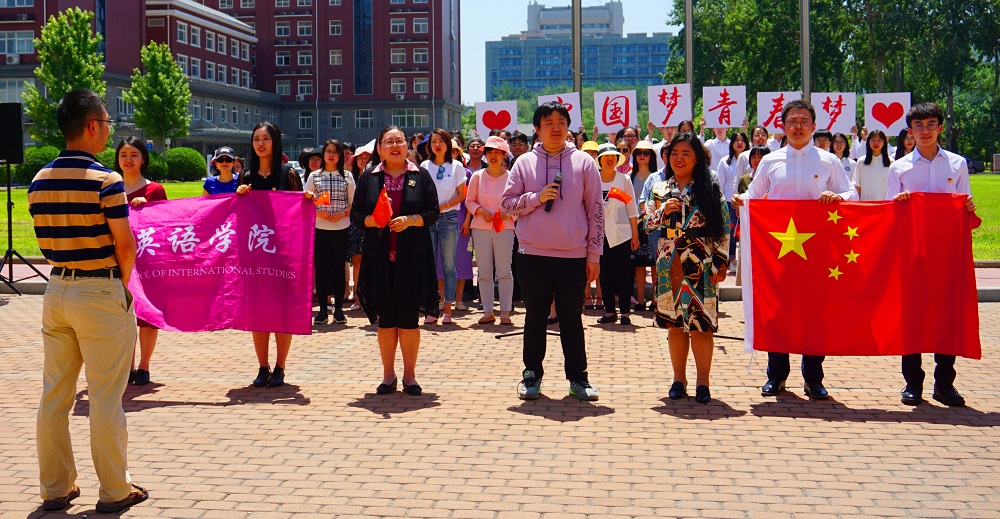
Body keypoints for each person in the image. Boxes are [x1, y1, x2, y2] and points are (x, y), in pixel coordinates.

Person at [28, 88, 148, 513]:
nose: (109, 131)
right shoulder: (105, 180)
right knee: (105, 398)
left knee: (54, 397)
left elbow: (45, 242)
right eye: (107, 123)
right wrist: (121, 286)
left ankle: (55, 487)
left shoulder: (39, 179)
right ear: (93, 125)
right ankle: (114, 489)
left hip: (57, 288)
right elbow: (125, 245)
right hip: (99, 290)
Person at [732, 99, 858, 400]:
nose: (798, 126)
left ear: (814, 126)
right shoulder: (771, 161)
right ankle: (776, 375)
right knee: (777, 310)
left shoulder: (828, 160)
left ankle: (814, 377)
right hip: (779, 250)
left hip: (818, 250)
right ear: (783, 126)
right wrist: (742, 201)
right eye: (792, 121)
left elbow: (851, 192)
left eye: (804, 121)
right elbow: (754, 195)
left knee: (815, 312)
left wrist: (837, 196)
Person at [502, 101, 604, 401]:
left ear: (568, 127)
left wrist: (594, 255)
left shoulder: (584, 162)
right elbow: (506, 207)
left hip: (573, 256)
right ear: (537, 129)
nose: (556, 128)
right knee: (534, 317)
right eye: (549, 123)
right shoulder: (523, 163)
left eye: (561, 122)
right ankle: (531, 375)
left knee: (572, 319)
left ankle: (578, 378)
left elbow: (596, 210)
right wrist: (536, 198)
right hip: (532, 255)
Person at [886, 102, 977, 407]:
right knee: (911, 316)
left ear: (940, 127)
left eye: (930, 124)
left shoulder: (957, 164)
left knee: (945, 315)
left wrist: (967, 207)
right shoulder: (899, 167)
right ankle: (912, 383)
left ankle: (945, 384)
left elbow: (965, 203)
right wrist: (899, 203)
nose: (925, 131)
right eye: (918, 125)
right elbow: (889, 211)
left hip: (947, 253)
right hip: (912, 252)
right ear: (909, 131)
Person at [352, 126, 440, 396]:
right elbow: (357, 214)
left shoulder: (420, 175)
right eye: (388, 142)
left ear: (407, 146)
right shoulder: (369, 177)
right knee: (386, 320)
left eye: (399, 141)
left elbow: (433, 212)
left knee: (409, 319)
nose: (394, 146)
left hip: (412, 258)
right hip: (379, 258)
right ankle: (388, 375)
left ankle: (410, 376)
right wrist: (373, 220)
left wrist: (411, 220)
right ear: (379, 149)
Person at [646, 133, 731, 404]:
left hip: (701, 261)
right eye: (674, 153)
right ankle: (678, 379)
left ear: (697, 159)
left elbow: (724, 227)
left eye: (686, 153)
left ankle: (703, 382)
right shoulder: (659, 188)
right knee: (674, 325)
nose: (679, 159)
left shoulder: (709, 188)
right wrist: (662, 212)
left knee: (701, 325)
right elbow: (646, 223)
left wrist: (721, 262)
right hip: (668, 262)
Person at [235, 121, 306, 388]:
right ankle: (262, 366)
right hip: (255, 254)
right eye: (256, 139)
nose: (261, 144)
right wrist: (240, 195)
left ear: (275, 142)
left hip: (283, 253)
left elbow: (299, 208)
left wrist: (308, 199)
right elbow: (237, 215)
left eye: (266, 138)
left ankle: (280, 366)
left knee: (281, 310)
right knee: (258, 311)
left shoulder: (288, 173)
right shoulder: (247, 176)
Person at [116, 136, 167, 386]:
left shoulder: (154, 190)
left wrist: (147, 209)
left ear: (143, 159)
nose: (128, 160)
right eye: (123, 155)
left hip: (147, 261)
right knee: (121, 316)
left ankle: (144, 366)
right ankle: (127, 366)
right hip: (117, 261)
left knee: (146, 316)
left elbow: (167, 225)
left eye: (134, 155)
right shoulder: (110, 188)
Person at [466, 136, 517, 325]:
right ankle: (488, 311)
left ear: (504, 155)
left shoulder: (511, 177)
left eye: (497, 152)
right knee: (484, 271)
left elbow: (518, 203)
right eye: (490, 152)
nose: (493, 156)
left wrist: (507, 214)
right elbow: (469, 201)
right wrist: (480, 211)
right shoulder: (477, 176)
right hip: (481, 227)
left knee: (504, 271)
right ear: (485, 155)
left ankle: (505, 312)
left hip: (505, 227)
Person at [305, 139, 355, 325]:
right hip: (320, 228)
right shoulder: (314, 176)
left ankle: (339, 310)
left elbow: (353, 202)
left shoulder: (347, 176)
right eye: (328, 151)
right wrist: (318, 213)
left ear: (340, 155)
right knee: (322, 269)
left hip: (341, 227)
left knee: (339, 268)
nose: (331, 155)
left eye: (335, 151)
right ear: (324, 154)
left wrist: (344, 212)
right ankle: (323, 310)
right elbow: (306, 201)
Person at [421, 129, 467, 324]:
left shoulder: (456, 166)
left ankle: (448, 309)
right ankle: (431, 310)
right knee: (428, 266)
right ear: (429, 145)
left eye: (441, 141)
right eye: (434, 141)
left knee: (449, 266)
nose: (437, 144)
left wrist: (442, 206)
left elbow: (462, 195)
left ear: (448, 144)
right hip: (428, 220)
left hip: (449, 218)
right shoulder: (424, 166)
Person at [595, 143, 640, 325]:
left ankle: (625, 313)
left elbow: (632, 209)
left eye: (613, 156)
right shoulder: (593, 180)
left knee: (624, 274)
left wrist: (635, 235)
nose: (609, 159)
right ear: (599, 160)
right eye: (605, 156)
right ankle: (609, 312)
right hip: (600, 236)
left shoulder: (624, 180)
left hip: (622, 234)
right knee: (604, 274)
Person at [346, 140, 374, 311]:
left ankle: (372, 297)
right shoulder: (351, 178)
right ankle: (358, 297)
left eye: (367, 157)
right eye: (360, 157)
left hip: (374, 222)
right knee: (357, 261)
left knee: (373, 260)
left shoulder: (376, 177)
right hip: (356, 223)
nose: (363, 160)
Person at [630, 140, 657, 312]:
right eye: (639, 153)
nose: (642, 156)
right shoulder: (629, 176)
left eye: (646, 153)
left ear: (651, 156)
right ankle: (640, 301)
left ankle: (655, 300)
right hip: (636, 224)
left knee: (655, 264)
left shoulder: (658, 176)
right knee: (639, 265)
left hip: (655, 224)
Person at [852, 130, 892, 200]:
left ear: (884, 143)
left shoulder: (891, 162)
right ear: (868, 142)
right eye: (873, 140)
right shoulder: (861, 162)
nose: (876, 143)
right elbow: (857, 185)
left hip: (886, 203)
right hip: (867, 203)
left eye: (879, 140)